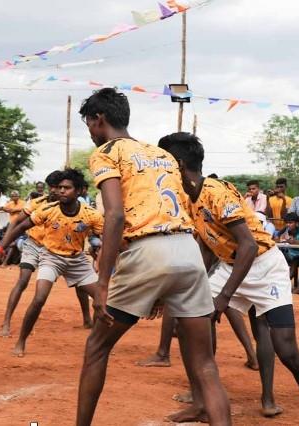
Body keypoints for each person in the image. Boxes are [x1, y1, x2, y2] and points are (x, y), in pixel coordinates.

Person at [159, 132, 299, 425]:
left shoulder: (217, 192)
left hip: (264, 265)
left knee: (288, 351)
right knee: (189, 318)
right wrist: (198, 285)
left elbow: (249, 245)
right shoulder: (185, 197)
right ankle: (201, 402)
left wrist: (223, 296)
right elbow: (208, 245)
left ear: (178, 164)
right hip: (233, 266)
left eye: (163, 162)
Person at [76, 88, 230, 425]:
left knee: (97, 349)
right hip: (188, 251)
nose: (89, 131)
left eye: (88, 123)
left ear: (99, 119)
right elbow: (185, 193)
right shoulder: (161, 154)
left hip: (147, 250)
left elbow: (115, 215)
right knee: (205, 364)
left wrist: (102, 281)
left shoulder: (107, 152)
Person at [0, 168, 101, 357]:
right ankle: (21, 341)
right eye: (59, 187)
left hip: (77, 259)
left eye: (66, 188)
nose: (61, 191)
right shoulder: (46, 209)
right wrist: (1, 248)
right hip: (51, 257)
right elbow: (20, 226)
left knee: (102, 300)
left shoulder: (92, 215)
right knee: (39, 298)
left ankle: (97, 343)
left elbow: (109, 237)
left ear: (80, 191)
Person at [0, 171, 64, 337]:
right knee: (22, 281)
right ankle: (6, 322)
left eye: (58, 187)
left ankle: (88, 318)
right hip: (33, 245)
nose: (54, 190)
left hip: (55, 249)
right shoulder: (36, 203)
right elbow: (16, 222)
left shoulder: (68, 205)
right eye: (51, 186)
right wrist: (1, 247)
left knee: (80, 282)